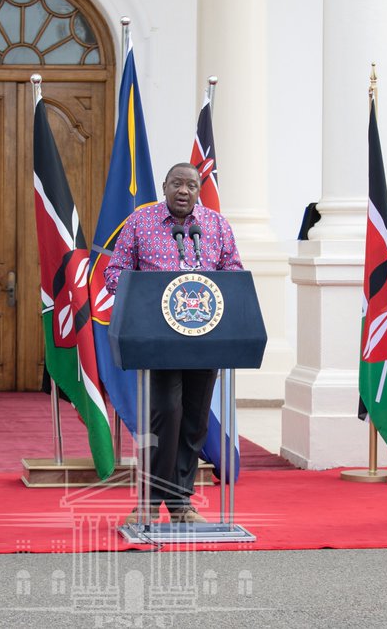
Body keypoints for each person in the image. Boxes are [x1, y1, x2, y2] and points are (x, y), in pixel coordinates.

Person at [105, 162, 242, 525]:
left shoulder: (215, 225)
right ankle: (148, 502)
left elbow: (233, 272)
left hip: (205, 338)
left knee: (195, 421)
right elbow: (114, 273)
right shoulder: (140, 221)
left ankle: (181, 505)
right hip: (157, 338)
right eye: (177, 183)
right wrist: (143, 295)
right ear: (164, 186)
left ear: (199, 190)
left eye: (192, 185)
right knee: (165, 412)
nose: (184, 190)